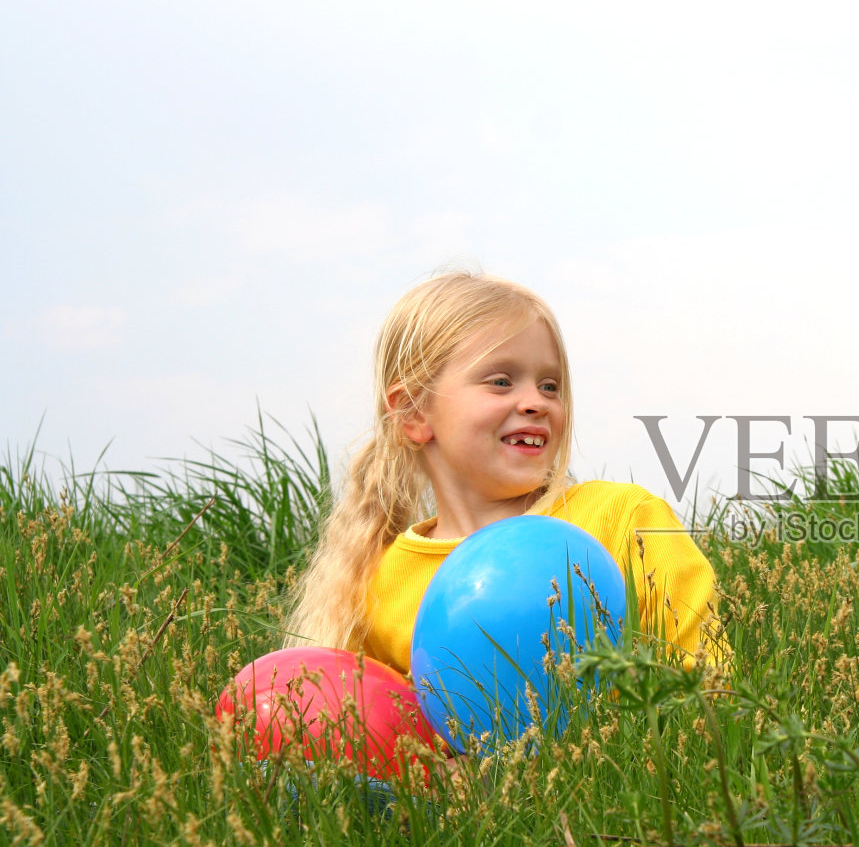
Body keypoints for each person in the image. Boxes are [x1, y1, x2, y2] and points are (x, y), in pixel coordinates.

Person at [284, 271, 727, 686]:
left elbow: (708, 683)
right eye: (501, 381)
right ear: (414, 412)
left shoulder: (623, 519)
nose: (536, 401)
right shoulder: (380, 585)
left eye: (550, 385)